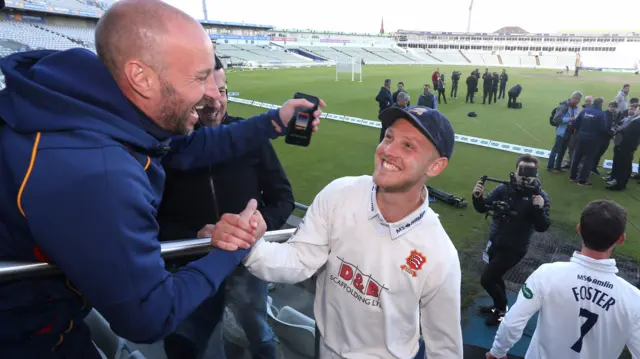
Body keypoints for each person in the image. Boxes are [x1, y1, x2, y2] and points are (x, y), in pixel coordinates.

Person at [0, 2, 323, 359]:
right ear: (142, 77)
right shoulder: (98, 171)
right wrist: (233, 247)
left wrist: (274, 122)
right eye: (200, 78)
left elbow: (186, 147)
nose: (212, 95)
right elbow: (149, 316)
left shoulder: (95, 110)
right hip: (28, 339)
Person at [214, 106, 464, 358]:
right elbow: (299, 259)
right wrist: (249, 244)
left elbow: (444, 347)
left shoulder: (440, 255)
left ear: (435, 166)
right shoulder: (340, 194)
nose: (387, 150)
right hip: (324, 350)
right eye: (389, 137)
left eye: (408, 146)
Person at [157, 59, 294, 359]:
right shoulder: (166, 147)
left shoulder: (249, 136)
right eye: (206, 95)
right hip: (194, 263)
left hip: (247, 261)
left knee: (258, 334)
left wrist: (257, 226)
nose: (216, 102)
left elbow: (283, 199)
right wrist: (196, 236)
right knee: (185, 343)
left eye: (223, 90)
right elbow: (154, 223)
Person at [486, 200, 640, 359]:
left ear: (579, 229)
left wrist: (497, 352)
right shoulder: (634, 299)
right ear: (621, 239)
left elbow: (512, 323)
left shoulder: (547, 274)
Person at [472, 154, 551, 326]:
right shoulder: (503, 189)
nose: (524, 176)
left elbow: (543, 226)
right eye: (521, 171)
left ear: (536, 174)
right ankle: (499, 306)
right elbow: (482, 207)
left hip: (515, 248)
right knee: (495, 276)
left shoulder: (540, 196)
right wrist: (477, 197)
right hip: (496, 241)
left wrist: (539, 209)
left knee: (487, 279)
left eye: (530, 172)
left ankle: (501, 311)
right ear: (515, 171)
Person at [569, 97, 609, 187]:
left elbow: (576, 123)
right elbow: (602, 129)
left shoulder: (585, 110)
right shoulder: (601, 114)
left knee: (577, 157)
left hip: (581, 137)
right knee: (588, 159)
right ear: (601, 104)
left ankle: (572, 177)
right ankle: (582, 180)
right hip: (593, 140)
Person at [547, 91, 583, 173]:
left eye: (579, 101)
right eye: (576, 100)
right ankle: (550, 167)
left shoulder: (576, 108)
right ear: (572, 98)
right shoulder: (563, 107)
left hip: (570, 132)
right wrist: (569, 119)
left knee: (563, 150)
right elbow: (556, 119)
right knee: (556, 149)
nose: (577, 102)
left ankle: (558, 167)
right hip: (562, 131)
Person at [607, 105, 640, 191]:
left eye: (636, 109)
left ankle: (620, 184)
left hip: (627, 145)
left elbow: (630, 134)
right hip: (627, 145)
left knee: (623, 165)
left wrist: (621, 130)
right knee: (626, 164)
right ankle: (621, 181)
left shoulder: (638, 121)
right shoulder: (636, 120)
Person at [592, 101, 617, 175]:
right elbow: (602, 127)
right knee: (595, 153)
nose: (612, 108)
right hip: (601, 138)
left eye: (614, 107)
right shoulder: (604, 114)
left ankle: (593, 167)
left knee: (600, 154)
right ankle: (590, 167)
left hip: (607, 139)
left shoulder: (614, 115)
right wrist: (611, 134)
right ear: (608, 106)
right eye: (611, 106)